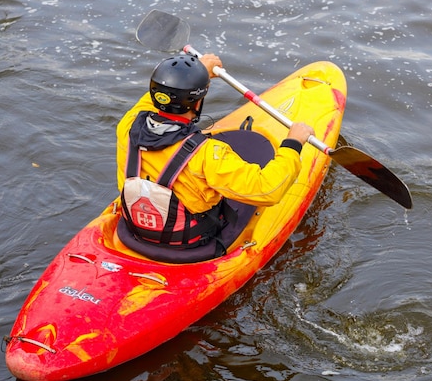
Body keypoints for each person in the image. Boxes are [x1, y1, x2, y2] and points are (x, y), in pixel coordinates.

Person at [116, 53, 315, 254]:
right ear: (196, 103)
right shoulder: (207, 153)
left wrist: (197, 72)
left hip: (136, 231)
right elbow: (267, 189)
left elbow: (153, 101)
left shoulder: (127, 127)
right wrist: (293, 143)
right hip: (188, 245)